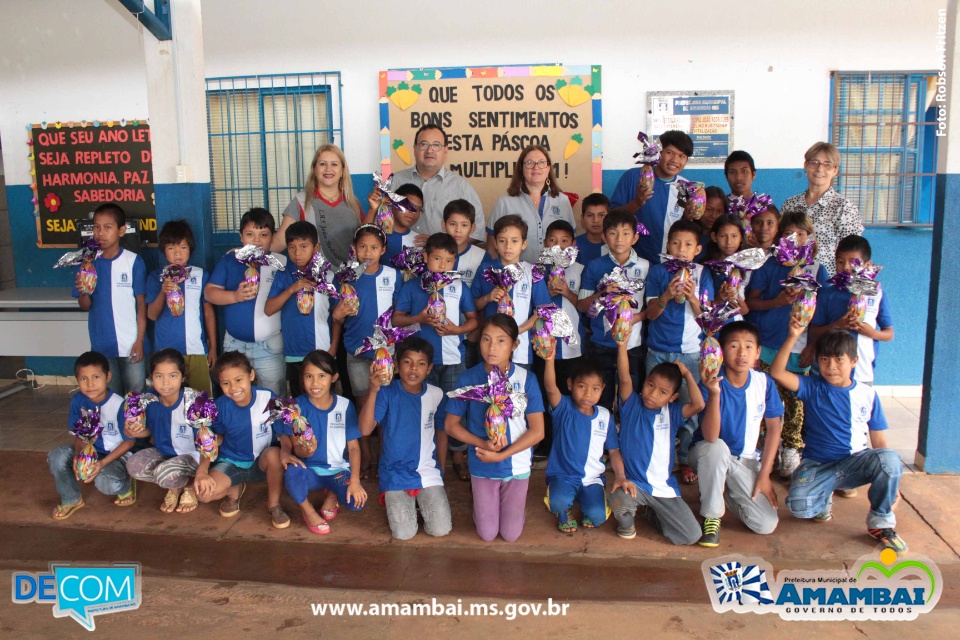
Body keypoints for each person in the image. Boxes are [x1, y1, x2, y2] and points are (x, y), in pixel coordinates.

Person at [773, 325, 906, 552]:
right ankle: (824, 497)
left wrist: (893, 480)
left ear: (854, 361)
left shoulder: (867, 394)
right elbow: (777, 372)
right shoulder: (812, 387)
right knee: (799, 506)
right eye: (824, 359)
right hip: (818, 465)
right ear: (817, 361)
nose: (831, 366)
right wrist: (793, 336)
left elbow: (880, 443)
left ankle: (881, 523)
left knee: (890, 459)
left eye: (839, 359)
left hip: (855, 463)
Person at [444, 314, 545, 542]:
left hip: (516, 463)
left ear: (514, 345)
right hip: (483, 461)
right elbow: (450, 425)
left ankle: (510, 510)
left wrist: (502, 455)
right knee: (487, 534)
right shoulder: (468, 378)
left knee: (511, 535)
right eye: (486, 339)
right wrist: (482, 444)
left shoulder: (526, 379)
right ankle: (481, 504)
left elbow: (538, 431)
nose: (492, 347)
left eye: (501, 340)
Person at [747, 211, 829, 478]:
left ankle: (792, 448)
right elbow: (752, 303)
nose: (794, 238)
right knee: (766, 399)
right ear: (779, 238)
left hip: (799, 348)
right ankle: (762, 450)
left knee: (795, 402)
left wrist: (812, 345)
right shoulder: (768, 265)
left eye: (801, 234)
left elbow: (822, 313)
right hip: (769, 344)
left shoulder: (816, 269)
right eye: (788, 234)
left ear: (810, 238)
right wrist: (778, 302)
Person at [690, 322, 784, 547]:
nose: (742, 353)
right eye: (734, 346)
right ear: (721, 352)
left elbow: (774, 428)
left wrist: (765, 474)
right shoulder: (711, 381)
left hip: (746, 461)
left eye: (749, 347)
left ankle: (718, 491)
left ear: (758, 352)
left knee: (765, 524)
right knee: (717, 448)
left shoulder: (764, 382)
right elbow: (711, 437)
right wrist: (714, 394)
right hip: (708, 454)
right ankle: (712, 516)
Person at [394, 232, 479, 480]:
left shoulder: (458, 286)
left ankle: (451, 463)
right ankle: (422, 465)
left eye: (449, 260)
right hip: (420, 365)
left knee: (452, 414)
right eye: (437, 259)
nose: (443, 265)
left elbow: (474, 320)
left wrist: (456, 330)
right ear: (425, 257)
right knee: (423, 414)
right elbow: (397, 319)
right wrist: (419, 318)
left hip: (453, 361)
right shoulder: (412, 286)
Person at [608, 337, 704, 545]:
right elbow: (624, 378)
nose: (652, 394)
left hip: (663, 488)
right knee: (619, 499)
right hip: (634, 484)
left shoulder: (673, 413)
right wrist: (622, 346)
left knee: (691, 536)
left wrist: (687, 374)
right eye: (650, 385)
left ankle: (652, 514)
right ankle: (626, 525)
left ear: (672, 397)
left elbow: (698, 405)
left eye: (663, 392)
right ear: (644, 383)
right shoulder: (632, 404)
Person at [359, 337, 452, 541]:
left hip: (427, 471)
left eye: (421, 363)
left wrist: (441, 472)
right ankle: (408, 502)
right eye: (407, 362)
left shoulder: (436, 395)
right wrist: (373, 390)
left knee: (440, 529)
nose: (413, 369)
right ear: (396, 365)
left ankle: (419, 500)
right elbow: (365, 429)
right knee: (403, 533)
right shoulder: (386, 392)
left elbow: (441, 433)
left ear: (429, 369)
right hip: (394, 473)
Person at [644, 219, 714, 483]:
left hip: (691, 353)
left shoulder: (702, 274)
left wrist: (693, 297)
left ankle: (684, 459)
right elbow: (651, 314)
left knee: (688, 410)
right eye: (675, 243)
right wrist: (666, 295)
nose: (681, 249)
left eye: (687, 244)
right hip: (658, 350)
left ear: (697, 249)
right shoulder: (658, 272)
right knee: (654, 404)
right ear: (668, 246)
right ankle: (654, 457)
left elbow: (706, 319)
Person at [331, 224, 402, 478]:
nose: (368, 252)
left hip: (386, 354)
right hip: (356, 353)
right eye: (362, 246)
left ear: (383, 250)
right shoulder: (346, 277)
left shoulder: (393, 275)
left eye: (374, 247)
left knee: (384, 406)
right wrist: (338, 315)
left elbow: (399, 314)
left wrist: (397, 350)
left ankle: (384, 456)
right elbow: (337, 318)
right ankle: (365, 457)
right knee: (363, 405)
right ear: (354, 249)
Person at [193, 351, 289, 529]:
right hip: (231, 460)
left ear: (251, 375)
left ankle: (274, 505)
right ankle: (234, 490)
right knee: (204, 495)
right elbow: (216, 438)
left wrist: (286, 452)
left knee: (274, 455)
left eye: (238, 380)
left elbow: (282, 432)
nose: (233, 387)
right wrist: (202, 469)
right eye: (226, 383)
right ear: (219, 384)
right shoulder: (219, 406)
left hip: (261, 461)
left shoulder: (267, 397)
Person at [280, 350, 367, 535]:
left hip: (337, 470)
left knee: (356, 502)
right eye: (309, 376)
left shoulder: (345, 406)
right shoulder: (296, 407)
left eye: (322, 376)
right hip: (309, 470)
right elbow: (295, 447)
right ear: (302, 378)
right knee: (292, 474)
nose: (315, 383)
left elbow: (353, 448)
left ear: (334, 377)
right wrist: (306, 451)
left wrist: (355, 480)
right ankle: (308, 511)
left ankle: (333, 493)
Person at [205, 208, 288, 396]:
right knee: (236, 397)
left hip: (270, 347)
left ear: (272, 237)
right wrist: (235, 296)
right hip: (234, 346)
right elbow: (209, 293)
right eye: (250, 234)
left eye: (263, 235)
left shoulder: (280, 262)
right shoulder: (230, 261)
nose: (256, 240)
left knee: (273, 399)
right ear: (241, 236)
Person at [48, 351, 138, 520]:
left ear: (108, 376)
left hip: (116, 455)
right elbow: (79, 435)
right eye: (83, 378)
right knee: (57, 456)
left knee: (107, 482)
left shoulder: (119, 404)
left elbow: (129, 442)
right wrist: (79, 455)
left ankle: (126, 485)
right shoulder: (78, 400)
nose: (90, 384)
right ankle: (72, 499)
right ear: (77, 380)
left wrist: (102, 463)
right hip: (91, 451)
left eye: (96, 377)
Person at [577, 209, 649, 413]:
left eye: (626, 233)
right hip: (602, 343)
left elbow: (651, 308)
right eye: (613, 233)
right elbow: (581, 305)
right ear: (603, 236)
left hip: (632, 343)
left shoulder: (645, 267)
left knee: (631, 397)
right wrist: (602, 293)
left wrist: (635, 318)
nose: (619, 239)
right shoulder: (594, 266)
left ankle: (627, 431)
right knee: (602, 399)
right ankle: (605, 431)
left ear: (635, 237)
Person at [73, 203, 146, 395]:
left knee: (136, 394)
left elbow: (141, 305)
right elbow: (85, 305)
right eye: (96, 227)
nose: (100, 233)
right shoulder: (87, 263)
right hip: (102, 344)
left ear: (121, 231)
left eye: (107, 227)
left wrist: (140, 340)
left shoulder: (134, 262)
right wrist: (83, 292)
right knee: (110, 396)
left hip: (131, 344)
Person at [542, 349, 615, 534]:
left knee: (597, 516)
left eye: (595, 388)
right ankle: (563, 510)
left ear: (602, 389)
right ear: (570, 384)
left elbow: (614, 451)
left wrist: (621, 476)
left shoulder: (605, 416)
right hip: (564, 476)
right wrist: (549, 360)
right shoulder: (563, 407)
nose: (588, 394)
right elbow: (550, 388)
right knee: (557, 502)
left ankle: (588, 504)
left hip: (592, 478)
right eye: (582, 386)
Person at [810, 235, 894, 386]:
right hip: (827, 374)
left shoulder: (876, 294)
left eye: (854, 262)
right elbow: (813, 332)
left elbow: (889, 333)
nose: (846, 267)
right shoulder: (827, 295)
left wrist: (870, 332)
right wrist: (838, 325)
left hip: (862, 374)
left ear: (868, 265)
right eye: (840, 262)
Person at [124, 349, 200, 514]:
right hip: (165, 453)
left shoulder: (193, 400)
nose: (165, 382)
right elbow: (149, 431)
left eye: (172, 376)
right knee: (133, 465)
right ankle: (176, 484)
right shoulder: (148, 399)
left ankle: (188, 486)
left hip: (193, 456)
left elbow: (208, 440)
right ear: (151, 377)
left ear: (183, 376)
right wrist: (133, 432)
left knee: (163, 473)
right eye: (159, 376)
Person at [265, 221, 336, 396]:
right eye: (292, 247)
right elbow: (268, 309)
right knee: (299, 401)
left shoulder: (328, 276)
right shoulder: (283, 274)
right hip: (294, 352)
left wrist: (333, 348)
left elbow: (337, 318)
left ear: (316, 247)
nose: (297, 253)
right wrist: (291, 289)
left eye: (304, 246)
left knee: (323, 399)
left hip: (323, 351)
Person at [471, 215, 551, 369]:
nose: (508, 246)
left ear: (524, 244)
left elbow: (543, 310)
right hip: (490, 348)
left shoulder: (532, 272)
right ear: (495, 243)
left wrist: (518, 330)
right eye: (502, 241)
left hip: (521, 346)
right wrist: (487, 298)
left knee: (518, 381)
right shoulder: (486, 269)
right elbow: (473, 306)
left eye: (514, 241)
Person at [147, 220, 216, 394]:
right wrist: (163, 291)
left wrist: (213, 347)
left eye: (183, 247)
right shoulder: (156, 277)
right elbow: (152, 315)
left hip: (196, 350)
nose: (177, 253)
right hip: (165, 353)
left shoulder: (200, 275)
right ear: (164, 250)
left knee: (201, 399)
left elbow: (208, 313)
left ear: (190, 249)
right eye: (171, 248)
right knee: (168, 398)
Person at [610, 130, 694, 263]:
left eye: (681, 156)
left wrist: (690, 217)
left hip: (669, 265)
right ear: (658, 152)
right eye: (669, 152)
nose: (675, 160)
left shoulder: (685, 188)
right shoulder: (633, 177)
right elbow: (611, 218)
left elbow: (686, 231)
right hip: (632, 262)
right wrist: (637, 202)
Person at [391, 124, 486, 242]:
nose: (429, 150)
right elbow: (381, 223)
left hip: (443, 253)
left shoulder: (461, 187)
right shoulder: (395, 181)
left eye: (436, 145)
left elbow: (477, 234)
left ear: (445, 151)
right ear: (415, 149)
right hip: (396, 251)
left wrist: (438, 244)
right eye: (424, 144)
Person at [781, 142, 864, 276]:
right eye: (814, 163)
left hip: (827, 283)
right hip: (789, 280)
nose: (820, 169)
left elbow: (852, 253)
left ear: (835, 170)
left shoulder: (844, 208)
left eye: (827, 165)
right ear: (805, 166)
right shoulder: (790, 204)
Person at [274, 144, 363, 265]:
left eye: (334, 164)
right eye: (322, 164)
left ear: (342, 171)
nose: (328, 169)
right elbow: (279, 241)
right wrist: (254, 256)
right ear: (315, 170)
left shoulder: (353, 202)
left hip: (351, 274)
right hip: (316, 275)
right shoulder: (301, 201)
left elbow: (364, 238)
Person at [487, 145, 575, 264]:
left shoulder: (563, 201)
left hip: (554, 273)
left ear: (548, 168)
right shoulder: (504, 203)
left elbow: (571, 243)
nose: (536, 167)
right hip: (515, 273)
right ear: (521, 168)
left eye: (541, 162)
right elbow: (492, 247)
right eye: (529, 163)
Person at [445, 198, 487, 370]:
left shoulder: (481, 257)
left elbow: (484, 297)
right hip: (439, 333)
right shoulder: (434, 254)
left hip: (469, 334)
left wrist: (475, 331)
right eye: (452, 224)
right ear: (443, 225)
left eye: (464, 225)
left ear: (473, 228)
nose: (458, 230)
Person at [705, 216, 750, 321]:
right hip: (713, 323)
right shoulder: (706, 267)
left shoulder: (748, 266)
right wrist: (718, 299)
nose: (729, 242)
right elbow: (702, 306)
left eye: (734, 236)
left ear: (741, 237)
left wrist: (745, 310)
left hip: (736, 323)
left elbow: (750, 303)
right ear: (714, 237)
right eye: (723, 236)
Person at [381, 184, 425, 265]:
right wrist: (372, 209)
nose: (413, 212)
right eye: (408, 205)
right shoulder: (378, 234)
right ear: (393, 203)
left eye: (418, 209)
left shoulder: (419, 241)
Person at [575, 194, 611, 266]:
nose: (595, 220)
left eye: (601, 215)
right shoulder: (574, 245)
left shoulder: (617, 244)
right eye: (590, 215)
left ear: (609, 217)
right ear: (582, 218)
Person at [695, 187, 729, 261]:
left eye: (719, 212)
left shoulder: (725, 241)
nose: (714, 215)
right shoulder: (688, 234)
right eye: (709, 209)